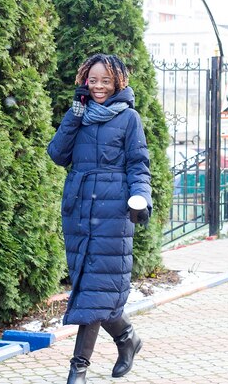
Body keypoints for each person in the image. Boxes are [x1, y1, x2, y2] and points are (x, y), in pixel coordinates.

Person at [47, 53, 152, 384]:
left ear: (117, 82)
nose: (99, 87)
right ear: (84, 81)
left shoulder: (129, 118)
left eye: (105, 80)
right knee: (94, 290)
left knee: (93, 291)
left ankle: (78, 369)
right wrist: (74, 116)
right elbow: (57, 154)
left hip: (112, 213)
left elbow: (138, 164)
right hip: (79, 212)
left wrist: (141, 197)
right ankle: (127, 338)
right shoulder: (79, 114)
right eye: (93, 80)